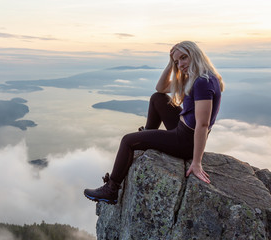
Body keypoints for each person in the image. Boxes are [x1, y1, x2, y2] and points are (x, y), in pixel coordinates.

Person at [84, 41, 225, 205]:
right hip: (182, 128)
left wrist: (196, 162)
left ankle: (111, 190)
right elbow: (160, 88)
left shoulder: (202, 82)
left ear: (196, 55)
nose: (181, 64)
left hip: (185, 141)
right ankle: (147, 134)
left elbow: (202, 125)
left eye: (184, 58)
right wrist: (170, 64)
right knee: (157, 98)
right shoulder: (198, 77)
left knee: (127, 141)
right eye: (177, 61)